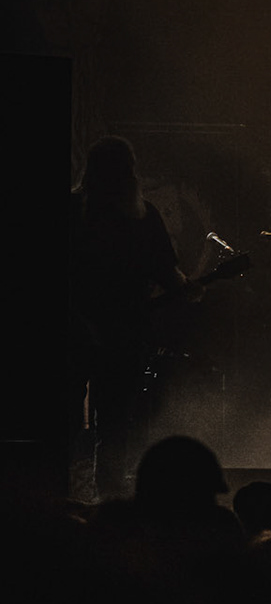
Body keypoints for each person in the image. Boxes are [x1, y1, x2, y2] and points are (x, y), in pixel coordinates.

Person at [68, 134, 189, 499]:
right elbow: (168, 274)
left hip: (75, 330)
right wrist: (190, 289)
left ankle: (60, 495)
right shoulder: (143, 215)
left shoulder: (72, 210)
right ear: (129, 173)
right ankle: (108, 499)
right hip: (123, 333)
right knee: (115, 422)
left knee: (66, 416)